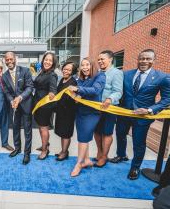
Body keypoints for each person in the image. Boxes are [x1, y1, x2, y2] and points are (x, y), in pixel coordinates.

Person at [110, 49, 170, 180]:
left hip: (143, 117)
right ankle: (121, 155)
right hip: (124, 113)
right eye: (142, 58)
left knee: (138, 143)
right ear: (138, 59)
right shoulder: (126, 74)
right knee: (120, 134)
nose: (144, 61)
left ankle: (135, 167)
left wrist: (149, 110)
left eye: (148, 59)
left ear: (154, 60)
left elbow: (167, 99)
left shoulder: (162, 77)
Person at [68, 58, 106, 177]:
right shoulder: (81, 79)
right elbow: (80, 94)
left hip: (92, 113)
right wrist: (76, 96)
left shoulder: (100, 76)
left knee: (83, 139)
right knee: (82, 137)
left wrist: (77, 89)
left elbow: (95, 90)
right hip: (80, 112)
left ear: (92, 65)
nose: (84, 67)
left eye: (87, 65)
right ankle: (87, 160)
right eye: (82, 65)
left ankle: (79, 164)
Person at [2, 51, 33, 165]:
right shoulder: (4, 76)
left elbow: (30, 88)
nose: (9, 61)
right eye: (7, 60)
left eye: (11, 59)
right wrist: (11, 100)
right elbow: (6, 91)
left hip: (25, 104)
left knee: (27, 130)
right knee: (15, 128)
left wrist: (20, 98)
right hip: (14, 107)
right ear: (5, 61)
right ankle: (17, 148)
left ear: (15, 59)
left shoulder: (25, 71)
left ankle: (26, 153)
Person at [93, 50, 123, 167]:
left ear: (110, 59)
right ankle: (99, 152)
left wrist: (110, 99)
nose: (100, 61)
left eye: (102, 59)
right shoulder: (97, 73)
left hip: (109, 109)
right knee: (96, 132)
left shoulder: (116, 73)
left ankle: (104, 156)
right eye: (99, 59)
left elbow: (118, 91)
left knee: (106, 133)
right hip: (95, 108)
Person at [33, 52, 58, 160]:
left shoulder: (52, 74)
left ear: (53, 63)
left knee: (44, 128)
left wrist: (52, 93)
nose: (47, 62)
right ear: (43, 60)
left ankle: (45, 150)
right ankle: (45, 144)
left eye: (50, 60)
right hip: (38, 104)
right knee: (41, 126)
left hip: (45, 106)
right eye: (46, 59)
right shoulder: (42, 72)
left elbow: (53, 89)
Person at [54, 62, 78, 161]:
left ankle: (64, 153)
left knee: (66, 133)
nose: (66, 71)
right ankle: (63, 150)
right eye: (65, 68)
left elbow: (73, 97)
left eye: (68, 70)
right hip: (60, 111)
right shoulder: (62, 80)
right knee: (61, 132)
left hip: (68, 112)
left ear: (72, 72)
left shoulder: (73, 82)